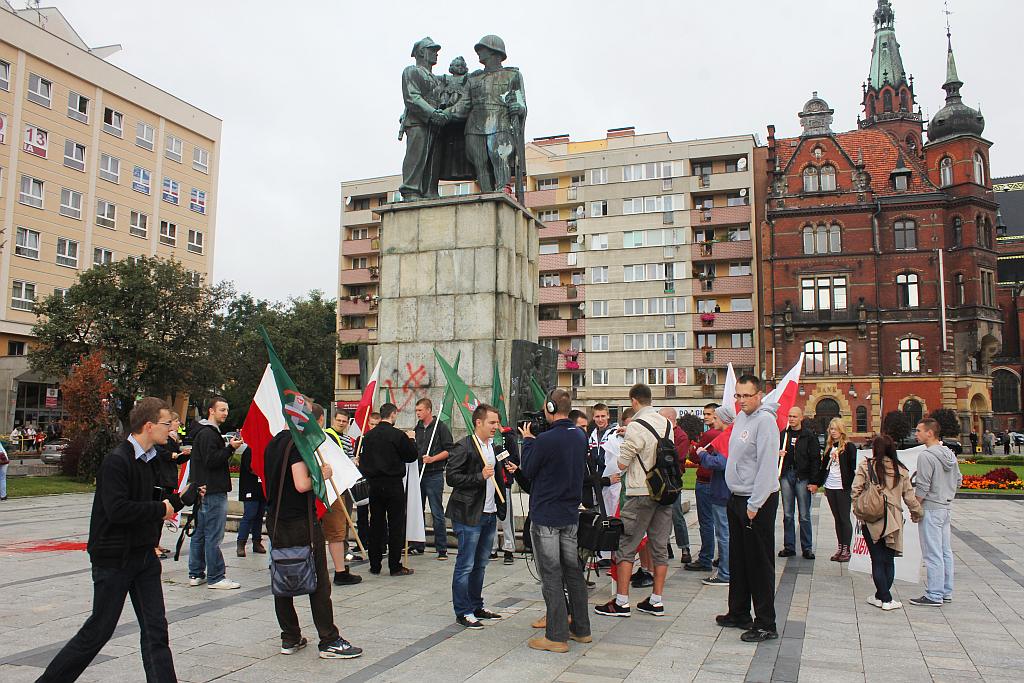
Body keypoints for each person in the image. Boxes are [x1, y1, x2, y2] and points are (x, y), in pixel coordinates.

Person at [37, 398, 195, 682]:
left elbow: (147, 502)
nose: (171, 428)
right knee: (98, 630)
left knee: (156, 629)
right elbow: (118, 510)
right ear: (148, 426)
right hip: (114, 558)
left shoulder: (149, 461)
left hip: (143, 557)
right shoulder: (117, 461)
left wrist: (179, 501)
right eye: (166, 423)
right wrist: (162, 509)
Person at [263, 406, 363, 660]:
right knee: (319, 582)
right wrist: (322, 474)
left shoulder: (272, 444)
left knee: (282, 577)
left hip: (276, 521)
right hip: (300, 523)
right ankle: (329, 639)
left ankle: (290, 637)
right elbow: (301, 484)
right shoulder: (296, 445)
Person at [520, 388, 592, 653]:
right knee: (572, 572)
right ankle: (581, 629)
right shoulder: (579, 435)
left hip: (547, 515)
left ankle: (556, 635)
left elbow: (528, 469)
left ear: (549, 408)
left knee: (551, 574)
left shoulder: (545, 440)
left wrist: (528, 441)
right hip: (570, 514)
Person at [594, 384, 674, 618]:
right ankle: (657, 599)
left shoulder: (636, 425)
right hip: (664, 491)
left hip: (641, 491)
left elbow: (622, 462)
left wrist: (625, 439)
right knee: (659, 546)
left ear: (633, 401)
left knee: (626, 545)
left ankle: (621, 601)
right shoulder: (666, 422)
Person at [716, 375, 780, 643]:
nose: (741, 401)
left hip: (757, 501)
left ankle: (765, 622)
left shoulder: (765, 421)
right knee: (738, 559)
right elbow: (722, 413)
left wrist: (755, 504)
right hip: (737, 497)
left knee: (758, 563)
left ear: (760, 395)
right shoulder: (742, 416)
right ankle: (739, 611)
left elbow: (767, 466)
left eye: (747, 396)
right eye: (738, 395)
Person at [446, 403, 504, 629]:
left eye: (496, 423)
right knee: (466, 564)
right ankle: (463, 610)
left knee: (480, 564)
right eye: (492, 422)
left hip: (489, 513)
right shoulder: (464, 446)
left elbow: (497, 477)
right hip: (469, 514)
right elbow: (452, 477)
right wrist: (478, 476)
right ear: (478, 422)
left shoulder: (493, 447)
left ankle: (476, 604)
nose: (495, 427)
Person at [852, 435, 923, 611]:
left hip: (872, 518)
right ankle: (883, 597)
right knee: (889, 560)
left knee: (876, 559)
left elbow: (855, 490)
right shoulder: (901, 470)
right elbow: (909, 497)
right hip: (894, 519)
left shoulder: (866, 465)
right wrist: (917, 512)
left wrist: (860, 508)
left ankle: (884, 597)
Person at [448, 35, 526, 193]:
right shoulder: (474, 79)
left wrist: (519, 107)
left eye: (481, 49)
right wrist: (444, 114)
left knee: (500, 156)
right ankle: (486, 195)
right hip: (474, 127)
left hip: (500, 124)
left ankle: (503, 190)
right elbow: (464, 104)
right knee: (479, 163)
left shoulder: (513, 75)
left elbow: (521, 102)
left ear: (493, 52)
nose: (478, 52)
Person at [187, 396, 243, 590]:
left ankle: (196, 573)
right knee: (213, 534)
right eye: (222, 410)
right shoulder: (209, 434)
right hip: (213, 490)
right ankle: (216, 576)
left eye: (227, 410)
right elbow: (211, 461)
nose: (225, 413)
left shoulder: (203, 432)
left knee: (200, 533)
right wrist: (230, 449)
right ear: (211, 411)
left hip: (203, 489)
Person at [360, 402, 418, 576]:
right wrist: (412, 439)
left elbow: (363, 462)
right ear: (393, 415)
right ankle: (394, 565)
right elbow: (411, 456)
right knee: (395, 524)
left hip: (375, 484)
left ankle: (375, 564)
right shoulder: (398, 435)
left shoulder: (369, 436)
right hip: (393, 484)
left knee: (376, 524)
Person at [909, 418, 962, 607]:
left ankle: (934, 594)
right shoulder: (949, 453)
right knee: (945, 551)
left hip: (931, 507)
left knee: (932, 552)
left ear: (929, 433)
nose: (916, 434)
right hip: (945, 506)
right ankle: (946, 591)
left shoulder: (926, 456)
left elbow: (922, 487)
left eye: (918, 430)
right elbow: (958, 480)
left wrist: (915, 508)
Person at [317, 406, 362, 586]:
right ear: (331, 420)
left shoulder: (347, 439)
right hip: (333, 487)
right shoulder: (328, 436)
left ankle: (343, 554)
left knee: (343, 523)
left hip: (344, 485)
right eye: (339, 420)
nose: (341, 424)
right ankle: (340, 566)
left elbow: (349, 457)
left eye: (344, 421)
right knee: (336, 528)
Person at [399, 36, 446, 200]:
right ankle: (411, 189)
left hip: (435, 124)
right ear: (420, 52)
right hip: (418, 121)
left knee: (432, 159)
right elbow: (412, 97)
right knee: (416, 155)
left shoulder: (437, 79)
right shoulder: (411, 71)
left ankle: (429, 190)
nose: (436, 54)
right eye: (432, 50)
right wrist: (432, 113)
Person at [410, 397, 454, 560]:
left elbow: (450, 449)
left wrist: (433, 458)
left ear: (428, 410)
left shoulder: (440, 427)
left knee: (436, 511)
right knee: (417, 510)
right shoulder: (418, 428)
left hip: (434, 474)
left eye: (420, 410)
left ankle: (442, 548)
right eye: (416, 410)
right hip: (419, 474)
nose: (418, 413)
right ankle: (418, 544)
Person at [694, 406, 732, 586]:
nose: (713, 421)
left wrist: (702, 455)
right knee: (726, 532)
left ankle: (725, 573)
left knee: (723, 534)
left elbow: (720, 463)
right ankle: (728, 568)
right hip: (727, 490)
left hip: (722, 490)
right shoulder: (733, 434)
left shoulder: (726, 436)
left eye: (715, 418)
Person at [778, 407, 821, 560]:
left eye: (795, 416)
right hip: (786, 475)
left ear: (801, 417)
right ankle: (789, 546)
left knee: (804, 515)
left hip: (802, 477)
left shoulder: (809, 436)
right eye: (789, 416)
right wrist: (778, 454)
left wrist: (815, 481)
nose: (791, 419)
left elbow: (816, 459)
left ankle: (807, 547)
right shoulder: (783, 435)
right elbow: (772, 454)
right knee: (788, 514)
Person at [686, 403, 722, 571]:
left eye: (709, 414)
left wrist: (696, 449)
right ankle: (722, 557)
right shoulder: (725, 434)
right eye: (705, 414)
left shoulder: (710, 434)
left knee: (706, 522)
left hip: (705, 481)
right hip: (719, 483)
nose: (705, 417)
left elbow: (693, 456)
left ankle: (705, 558)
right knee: (721, 522)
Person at [818, 418, 857, 563]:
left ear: (841, 430)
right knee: (837, 519)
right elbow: (823, 468)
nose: (832, 431)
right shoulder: (829, 447)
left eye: (835, 428)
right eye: (831, 429)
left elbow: (852, 467)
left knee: (844, 518)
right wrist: (817, 483)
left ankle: (846, 549)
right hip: (830, 485)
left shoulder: (849, 447)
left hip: (843, 487)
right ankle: (840, 547)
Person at [659, 408, 691, 564]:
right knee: (661, 516)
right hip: (660, 479)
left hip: (673, 480)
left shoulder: (681, 436)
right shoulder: (661, 433)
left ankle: (685, 548)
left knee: (677, 515)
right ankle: (666, 546)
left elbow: (676, 456)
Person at [155, 411, 190, 558]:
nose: (177, 425)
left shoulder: (172, 439)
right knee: (157, 514)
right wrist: (171, 455)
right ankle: (152, 545)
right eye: (176, 422)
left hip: (169, 479)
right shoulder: (161, 439)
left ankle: (156, 542)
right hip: (161, 479)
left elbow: (176, 459)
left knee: (162, 515)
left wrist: (185, 455)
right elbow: (159, 452)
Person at [236, 442, 267, 558]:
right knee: (250, 514)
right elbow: (252, 468)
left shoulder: (263, 449)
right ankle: (241, 543)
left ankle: (256, 542)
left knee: (259, 516)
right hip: (249, 488)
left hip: (261, 488)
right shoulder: (249, 450)